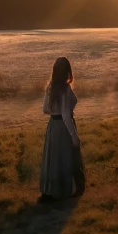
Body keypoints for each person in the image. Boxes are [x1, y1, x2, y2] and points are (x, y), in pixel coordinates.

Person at [39, 56, 85, 202]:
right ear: (67, 71)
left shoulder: (50, 87)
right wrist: (74, 136)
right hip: (64, 127)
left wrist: (55, 110)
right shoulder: (65, 89)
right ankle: (67, 190)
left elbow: (45, 109)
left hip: (53, 125)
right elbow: (66, 116)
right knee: (66, 158)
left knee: (53, 158)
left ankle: (51, 190)